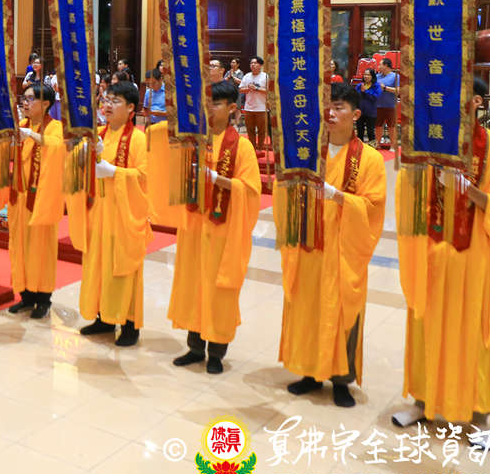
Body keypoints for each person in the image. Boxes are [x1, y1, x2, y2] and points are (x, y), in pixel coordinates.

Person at [392, 77, 490, 429]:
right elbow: (409, 198)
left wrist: (470, 190)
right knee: (425, 328)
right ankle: (422, 402)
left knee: (474, 336)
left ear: (477, 101)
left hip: (475, 258)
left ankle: (479, 418)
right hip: (432, 253)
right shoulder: (430, 145)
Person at [278, 81, 386, 408]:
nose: (331, 113)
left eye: (339, 108)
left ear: (356, 115)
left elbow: (372, 206)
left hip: (343, 250)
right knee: (308, 307)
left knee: (343, 313)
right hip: (310, 245)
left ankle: (341, 380)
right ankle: (309, 372)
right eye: (328, 107)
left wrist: (337, 196)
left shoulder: (369, 159)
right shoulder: (309, 152)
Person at [167, 80, 261, 374]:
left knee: (219, 291)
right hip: (196, 226)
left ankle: (217, 352)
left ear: (232, 108)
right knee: (194, 284)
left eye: (215, 104)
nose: (208, 109)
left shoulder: (242, 147)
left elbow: (251, 190)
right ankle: (195, 347)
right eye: (206, 103)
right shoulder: (197, 140)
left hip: (223, 230)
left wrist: (217, 179)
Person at [79, 81, 150, 346]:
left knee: (124, 269)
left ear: (131, 108)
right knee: (100, 266)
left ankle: (130, 324)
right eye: (106, 100)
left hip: (125, 215)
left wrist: (113, 172)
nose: (107, 105)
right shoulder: (99, 134)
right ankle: (104, 318)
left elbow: (144, 177)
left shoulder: (138, 139)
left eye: (115, 101)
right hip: (99, 213)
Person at [8, 83, 65, 319]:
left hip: (42, 199)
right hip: (20, 197)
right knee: (20, 246)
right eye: (25, 98)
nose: (26, 102)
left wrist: (33, 135)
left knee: (41, 249)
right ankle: (26, 295)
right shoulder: (22, 124)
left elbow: (58, 147)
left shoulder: (55, 127)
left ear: (46, 103)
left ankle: (43, 298)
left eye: (31, 99)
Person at [237, 56, 269, 150]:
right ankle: (252, 148)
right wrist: (248, 88)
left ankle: (260, 148)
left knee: (261, 130)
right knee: (250, 130)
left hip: (261, 108)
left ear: (260, 65)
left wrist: (256, 89)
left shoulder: (265, 76)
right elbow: (240, 89)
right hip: (248, 108)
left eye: (255, 63)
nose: (253, 65)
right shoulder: (247, 76)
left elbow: (268, 91)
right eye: (251, 63)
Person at [376, 57, 398, 148]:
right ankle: (377, 144)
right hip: (377, 105)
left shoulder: (395, 76)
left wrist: (385, 88)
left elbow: (398, 90)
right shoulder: (377, 76)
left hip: (390, 106)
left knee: (391, 127)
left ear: (386, 65)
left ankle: (393, 145)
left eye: (380, 64)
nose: (378, 66)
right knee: (378, 126)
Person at [355, 68, 381, 145]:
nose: (366, 76)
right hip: (360, 112)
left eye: (368, 75)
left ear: (372, 76)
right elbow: (355, 96)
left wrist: (365, 91)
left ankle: (372, 148)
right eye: (365, 74)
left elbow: (376, 98)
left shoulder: (376, 86)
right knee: (360, 131)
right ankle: (360, 148)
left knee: (370, 132)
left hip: (371, 112)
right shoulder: (360, 85)